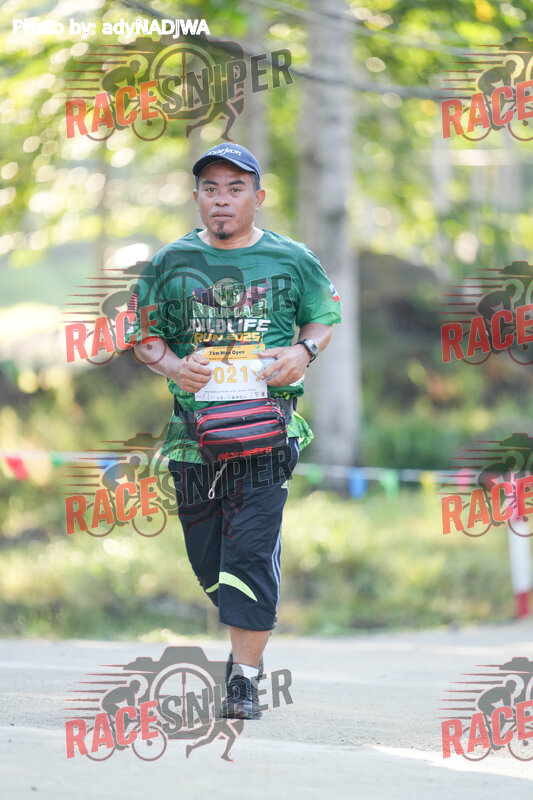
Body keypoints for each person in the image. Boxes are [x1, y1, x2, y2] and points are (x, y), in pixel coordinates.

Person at [127, 143, 342, 719]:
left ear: (258, 197)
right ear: (197, 197)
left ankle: (244, 677)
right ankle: (246, 631)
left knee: (249, 552)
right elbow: (143, 336)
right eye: (211, 189)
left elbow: (322, 319)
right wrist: (175, 366)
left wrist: (303, 352)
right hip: (192, 438)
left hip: (267, 432)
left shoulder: (292, 258)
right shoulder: (170, 263)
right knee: (210, 560)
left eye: (235, 188)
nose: (222, 200)